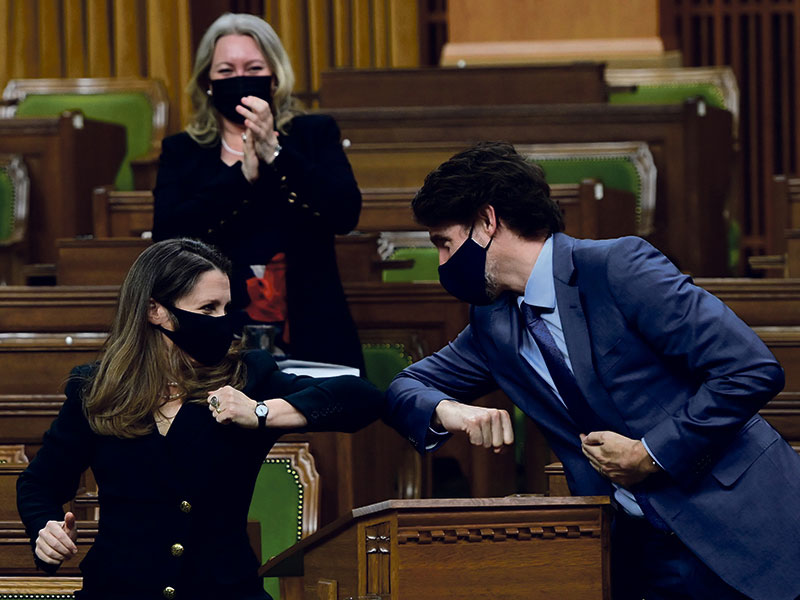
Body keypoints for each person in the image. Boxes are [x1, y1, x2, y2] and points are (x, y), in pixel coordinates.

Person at [382, 142, 800, 600]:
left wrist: (651, 453)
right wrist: (450, 411)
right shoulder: (493, 324)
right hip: (641, 556)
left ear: (487, 222)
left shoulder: (617, 267)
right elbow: (404, 386)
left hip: (741, 522)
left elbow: (750, 369)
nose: (442, 263)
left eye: (445, 243)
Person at [17, 238, 382, 600]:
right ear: (154, 310)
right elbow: (39, 485)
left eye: (226, 308)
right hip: (118, 590)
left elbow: (361, 399)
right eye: (208, 309)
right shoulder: (96, 389)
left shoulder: (246, 377)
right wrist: (44, 529)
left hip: (223, 591)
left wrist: (260, 412)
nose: (223, 323)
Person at [152, 12, 364, 372]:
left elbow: (345, 212)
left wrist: (275, 153)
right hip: (217, 326)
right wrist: (241, 178)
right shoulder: (182, 150)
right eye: (226, 71)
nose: (240, 79)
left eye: (253, 68)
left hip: (310, 317)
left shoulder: (314, 134)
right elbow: (167, 236)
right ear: (207, 80)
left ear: (275, 75)